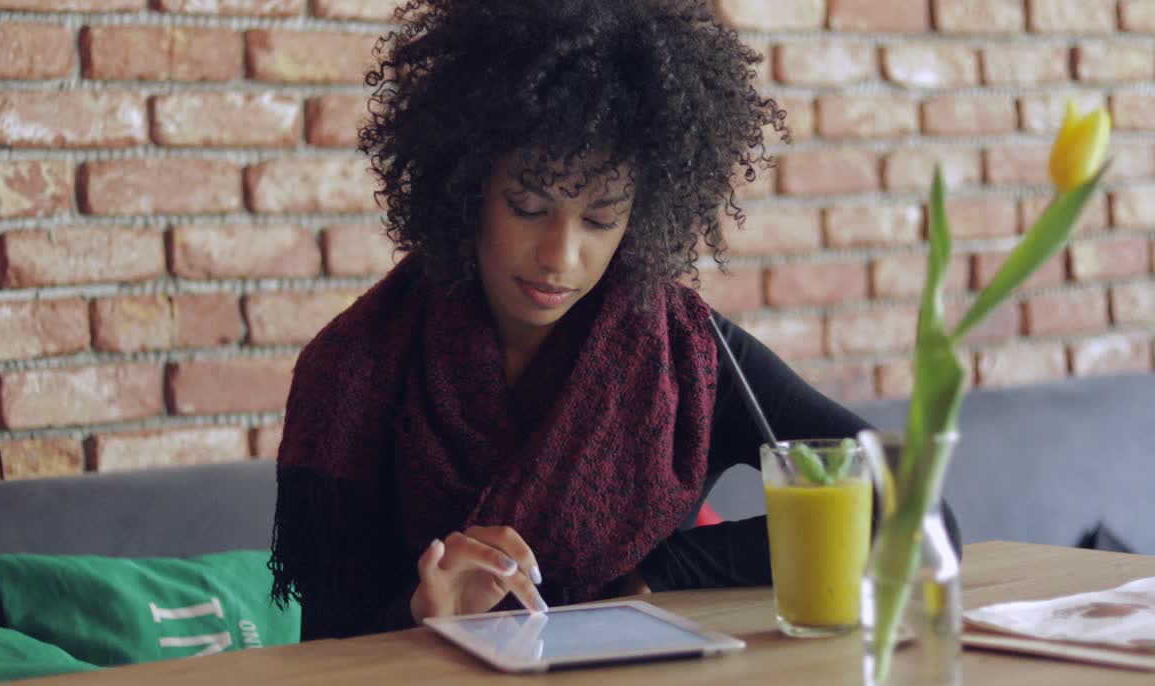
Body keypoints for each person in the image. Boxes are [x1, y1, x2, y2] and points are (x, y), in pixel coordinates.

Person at [269, 0, 955, 641]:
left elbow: (915, 506)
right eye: (529, 207)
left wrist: (663, 570)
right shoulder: (354, 371)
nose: (560, 256)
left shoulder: (687, 356)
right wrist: (424, 618)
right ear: (468, 185)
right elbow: (325, 655)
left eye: (601, 217)